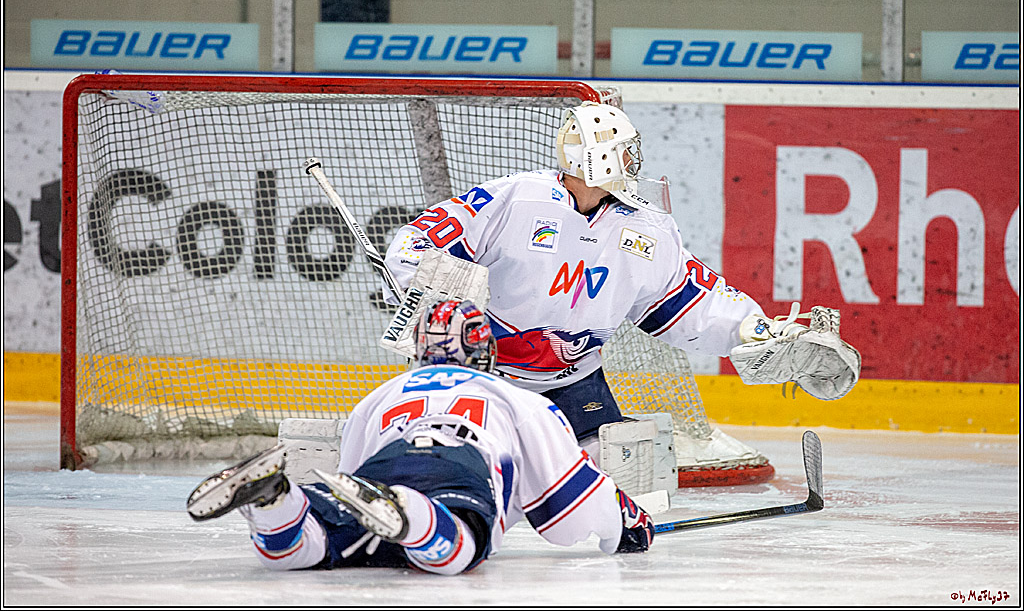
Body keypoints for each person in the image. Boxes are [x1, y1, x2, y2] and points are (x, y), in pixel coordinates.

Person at [384, 101, 860, 459]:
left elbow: (688, 297)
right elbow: (412, 245)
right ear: (599, 157)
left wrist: (755, 329)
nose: (634, 160)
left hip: (574, 382)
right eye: (625, 151)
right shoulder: (513, 200)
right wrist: (445, 290)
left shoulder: (647, 226)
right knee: (454, 472)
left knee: (629, 482)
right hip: (482, 380)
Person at [186, 299, 655, 576]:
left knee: (311, 546)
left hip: (384, 465)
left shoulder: (379, 396)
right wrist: (625, 521)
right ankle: (416, 516)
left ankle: (278, 505)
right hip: (457, 465)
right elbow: (568, 514)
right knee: (458, 550)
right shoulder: (517, 399)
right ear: (485, 349)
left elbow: (353, 480)